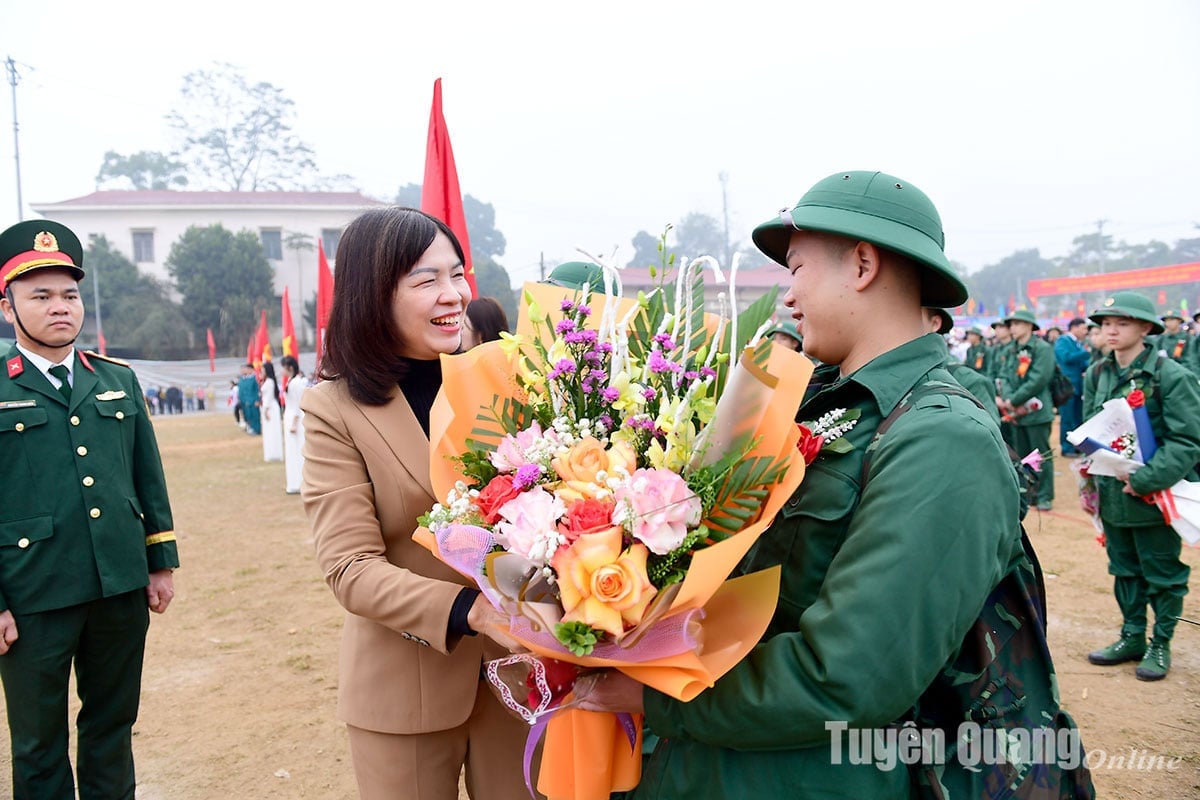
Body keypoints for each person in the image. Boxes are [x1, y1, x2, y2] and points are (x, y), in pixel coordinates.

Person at [578, 171, 1092, 799]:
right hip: (727, 760)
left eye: (796, 269)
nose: (786, 296)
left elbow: (849, 673)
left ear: (864, 264)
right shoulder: (821, 404)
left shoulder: (941, 440)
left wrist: (657, 696)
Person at [299, 207, 535, 800]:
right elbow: (350, 569)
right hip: (404, 691)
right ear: (374, 295)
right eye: (426, 280)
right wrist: (469, 611)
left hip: (519, 677)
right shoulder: (334, 410)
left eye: (457, 274)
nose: (453, 295)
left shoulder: (502, 380)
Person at [0, 219, 179, 799]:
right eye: (41, 296)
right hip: (32, 596)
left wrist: (159, 562)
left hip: (118, 585)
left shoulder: (116, 380)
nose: (60, 308)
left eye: (69, 295)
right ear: (8, 309)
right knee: (37, 744)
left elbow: (146, 478)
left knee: (111, 728)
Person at [1083, 291, 1200, 681]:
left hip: (1154, 495)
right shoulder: (1097, 372)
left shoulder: (1171, 376)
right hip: (1113, 493)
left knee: (1161, 572)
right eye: (1105, 324)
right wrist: (1090, 467)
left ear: (1146, 328)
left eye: (1122, 323)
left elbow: (1187, 441)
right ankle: (1132, 635)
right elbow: (1091, 427)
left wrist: (1147, 479)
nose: (1111, 331)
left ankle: (1159, 644)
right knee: (1124, 568)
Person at [996, 307, 1056, 511]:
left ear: (1030, 325)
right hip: (1016, 413)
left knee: (1041, 455)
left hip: (1036, 412)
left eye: (1017, 323)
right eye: (1011, 324)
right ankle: (1029, 492)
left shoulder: (1042, 348)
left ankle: (1045, 494)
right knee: (1023, 455)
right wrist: (1008, 398)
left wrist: (1015, 399)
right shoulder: (1010, 349)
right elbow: (1003, 375)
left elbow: (1039, 379)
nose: (1012, 328)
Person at [923, 308, 1000, 424]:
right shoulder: (970, 350)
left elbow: (989, 368)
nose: (969, 336)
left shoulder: (985, 351)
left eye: (972, 334)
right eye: (968, 334)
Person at [1055, 317, 1091, 456]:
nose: (1085, 332)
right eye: (1083, 329)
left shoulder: (1078, 344)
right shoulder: (1063, 341)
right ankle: (1066, 447)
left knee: (1077, 418)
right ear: (1074, 328)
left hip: (1078, 387)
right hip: (1067, 387)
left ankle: (1076, 445)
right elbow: (1067, 357)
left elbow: (1082, 363)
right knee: (1067, 418)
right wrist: (1087, 352)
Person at [280, 355, 307, 494]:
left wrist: (294, 423)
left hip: (295, 419)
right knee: (291, 451)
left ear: (289, 367)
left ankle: (301, 482)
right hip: (290, 417)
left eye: (283, 367)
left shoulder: (297, 382)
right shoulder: (290, 381)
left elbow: (298, 404)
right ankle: (294, 482)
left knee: (298, 450)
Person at [260, 360, 283, 462]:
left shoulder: (269, 382)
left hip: (270, 409)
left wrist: (265, 411)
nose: (261, 371)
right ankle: (271, 452)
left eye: (263, 369)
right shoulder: (268, 381)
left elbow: (268, 398)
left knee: (272, 430)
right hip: (268, 407)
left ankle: (274, 453)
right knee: (269, 431)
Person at [237, 363, 261, 435]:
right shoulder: (243, 379)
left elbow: (256, 390)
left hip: (252, 400)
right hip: (244, 400)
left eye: (246, 369)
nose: (244, 370)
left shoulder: (254, 378)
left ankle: (256, 429)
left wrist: (257, 400)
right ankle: (250, 428)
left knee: (254, 415)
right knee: (247, 415)